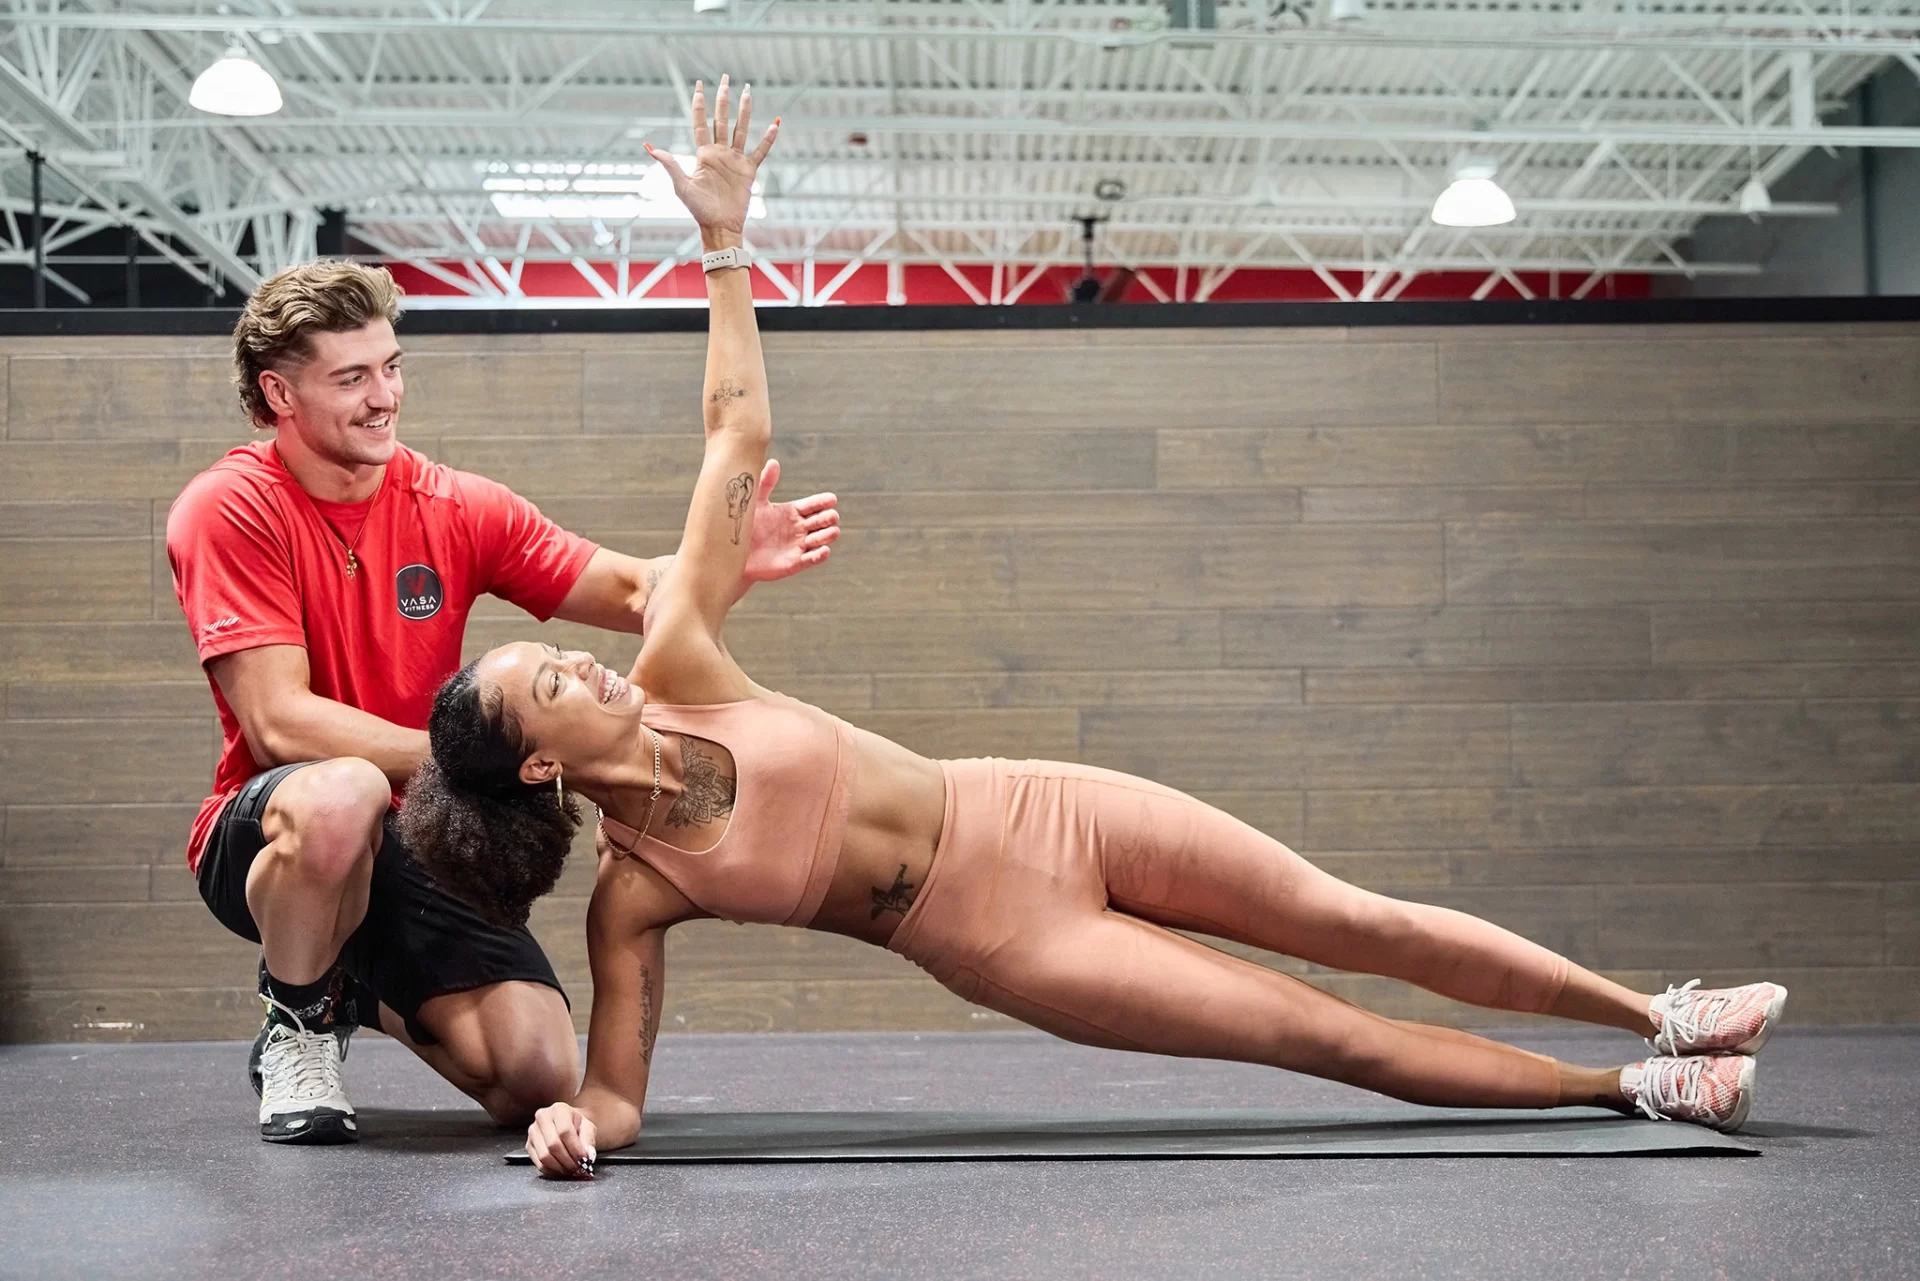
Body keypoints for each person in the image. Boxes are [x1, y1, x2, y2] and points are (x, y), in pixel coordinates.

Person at [400, 78, 1788, 1178]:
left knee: (1352, 917)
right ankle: (1638, 1088)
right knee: (1326, 1035)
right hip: (1002, 936)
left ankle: (1655, 1010)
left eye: (558, 646)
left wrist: (722, 244)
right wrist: (576, 1124)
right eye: (551, 682)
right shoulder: (636, 896)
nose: (581, 655)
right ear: (539, 765)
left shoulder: (680, 659)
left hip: (1033, 806)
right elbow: (621, 1094)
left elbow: (733, 432)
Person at [165, 199, 841, 1143]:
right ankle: (298, 1018)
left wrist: (726, 557)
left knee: (535, 1069)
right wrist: (470, 768)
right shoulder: (229, 507)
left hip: (413, 834)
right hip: (275, 826)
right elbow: (282, 723)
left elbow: (632, 586)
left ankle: (347, 979)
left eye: (392, 367)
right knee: (340, 796)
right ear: (281, 396)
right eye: (352, 377)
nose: (384, 396)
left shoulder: (453, 503)